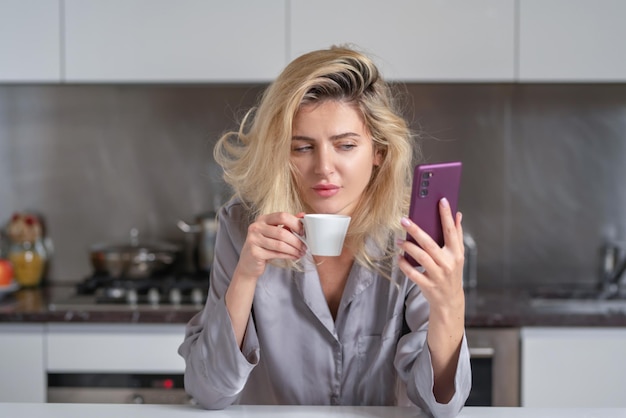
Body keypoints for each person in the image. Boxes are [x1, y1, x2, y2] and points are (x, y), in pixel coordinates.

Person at [178, 45, 471, 417]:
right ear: (280, 152)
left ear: (378, 150)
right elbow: (209, 392)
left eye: (345, 145)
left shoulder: (411, 233)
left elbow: (441, 407)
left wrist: (451, 304)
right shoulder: (242, 227)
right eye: (302, 148)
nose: (324, 168)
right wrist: (245, 276)